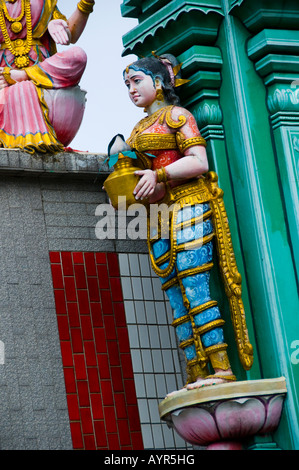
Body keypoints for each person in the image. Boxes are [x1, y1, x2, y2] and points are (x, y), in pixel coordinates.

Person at [107, 53, 253, 393]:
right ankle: (196, 370)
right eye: (127, 85)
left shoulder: (177, 116)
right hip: (160, 213)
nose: (131, 90)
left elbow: (198, 161)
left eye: (136, 81)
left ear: (158, 82)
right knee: (175, 294)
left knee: (194, 284)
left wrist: (158, 174)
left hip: (189, 203)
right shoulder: (137, 128)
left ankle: (221, 367)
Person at [0, 0, 95, 153]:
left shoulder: (43, 2)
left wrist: (85, 4)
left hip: (43, 71)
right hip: (3, 76)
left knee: (78, 55)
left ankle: (25, 75)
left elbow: (71, 34)